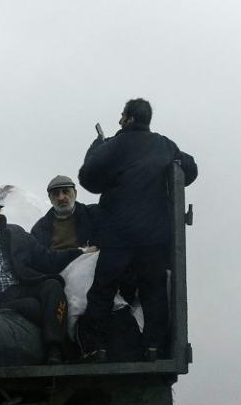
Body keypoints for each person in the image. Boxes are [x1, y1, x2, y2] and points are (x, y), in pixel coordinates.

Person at [77, 98, 198, 362]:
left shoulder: (114, 145)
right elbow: (190, 169)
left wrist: (96, 147)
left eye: (122, 116)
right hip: (154, 238)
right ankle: (153, 347)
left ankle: (96, 347)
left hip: (118, 236)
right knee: (153, 291)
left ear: (129, 118)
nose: (120, 120)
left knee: (103, 290)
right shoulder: (164, 144)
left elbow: (87, 178)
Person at [0, 195, 95, 364]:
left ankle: (55, 350)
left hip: (23, 286)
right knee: (33, 306)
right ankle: (64, 351)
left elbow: (44, 257)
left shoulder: (15, 234)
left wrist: (79, 252)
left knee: (53, 285)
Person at [31, 175, 99, 250]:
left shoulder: (94, 214)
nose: (61, 198)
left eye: (66, 191)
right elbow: (37, 256)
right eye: (56, 194)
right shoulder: (40, 229)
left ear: (75, 193)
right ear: (50, 198)